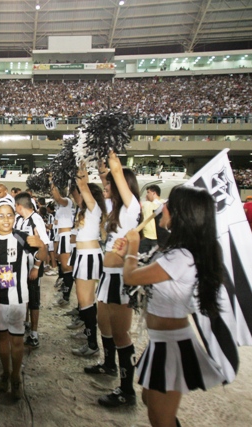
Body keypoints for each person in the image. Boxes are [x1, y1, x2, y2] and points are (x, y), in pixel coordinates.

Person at [112, 185, 225, 427]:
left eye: (168, 205)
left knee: (160, 418)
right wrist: (126, 255)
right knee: (151, 404)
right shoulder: (173, 251)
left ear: (180, 214)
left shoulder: (181, 256)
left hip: (172, 345)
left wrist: (132, 247)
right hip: (161, 341)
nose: (162, 207)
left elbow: (132, 278)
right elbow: (141, 271)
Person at [86, 151, 141, 408]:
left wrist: (110, 152)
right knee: (103, 324)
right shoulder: (116, 210)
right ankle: (108, 365)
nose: (105, 187)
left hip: (121, 279)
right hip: (107, 277)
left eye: (109, 186)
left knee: (121, 335)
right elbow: (107, 176)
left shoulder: (132, 208)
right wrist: (99, 169)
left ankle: (127, 390)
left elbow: (116, 172)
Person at [0, 202, 46, 399]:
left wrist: (42, 245)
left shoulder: (22, 238)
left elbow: (42, 256)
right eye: (0, 216)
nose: (5, 219)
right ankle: (5, 372)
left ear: (14, 217)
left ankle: (16, 376)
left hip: (18, 297)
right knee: (1, 338)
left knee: (17, 339)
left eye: (9, 215)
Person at [69, 166, 106, 357]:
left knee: (85, 301)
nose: (81, 195)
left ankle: (92, 344)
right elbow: (80, 191)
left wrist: (81, 170)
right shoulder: (86, 211)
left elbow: (82, 187)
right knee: (86, 300)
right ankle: (89, 335)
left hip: (89, 256)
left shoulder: (94, 208)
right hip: (85, 255)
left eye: (85, 193)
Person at [13, 192, 50, 348]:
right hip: (19, 265)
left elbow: (44, 246)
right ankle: (25, 323)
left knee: (34, 299)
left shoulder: (36, 220)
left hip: (31, 265)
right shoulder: (19, 219)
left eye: (15, 206)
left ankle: (34, 334)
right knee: (22, 295)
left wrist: (36, 267)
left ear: (20, 206)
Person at [50, 180, 75, 307]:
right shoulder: (60, 206)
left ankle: (66, 296)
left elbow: (58, 197)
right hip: (61, 236)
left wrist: (52, 182)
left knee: (67, 267)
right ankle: (64, 293)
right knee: (64, 267)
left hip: (66, 236)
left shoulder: (67, 201)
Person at [139, 185, 161, 255]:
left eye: (148, 192)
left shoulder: (146, 204)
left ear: (154, 193)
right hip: (157, 237)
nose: (146, 195)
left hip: (146, 236)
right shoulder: (164, 204)